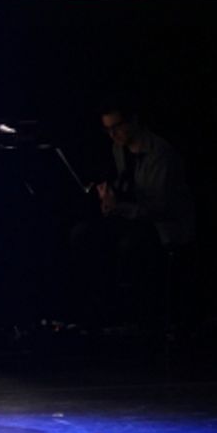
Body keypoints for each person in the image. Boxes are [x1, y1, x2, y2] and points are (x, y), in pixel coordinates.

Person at [67, 102, 195, 331]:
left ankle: (133, 318)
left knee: (130, 246)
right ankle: (97, 311)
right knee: (84, 234)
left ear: (134, 121)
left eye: (117, 127)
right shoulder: (119, 148)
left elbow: (160, 208)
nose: (112, 134)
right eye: (107, 129)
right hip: (134, 218)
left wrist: (119, 207)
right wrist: (109, 199)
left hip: (163, 226)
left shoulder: (160, 154)